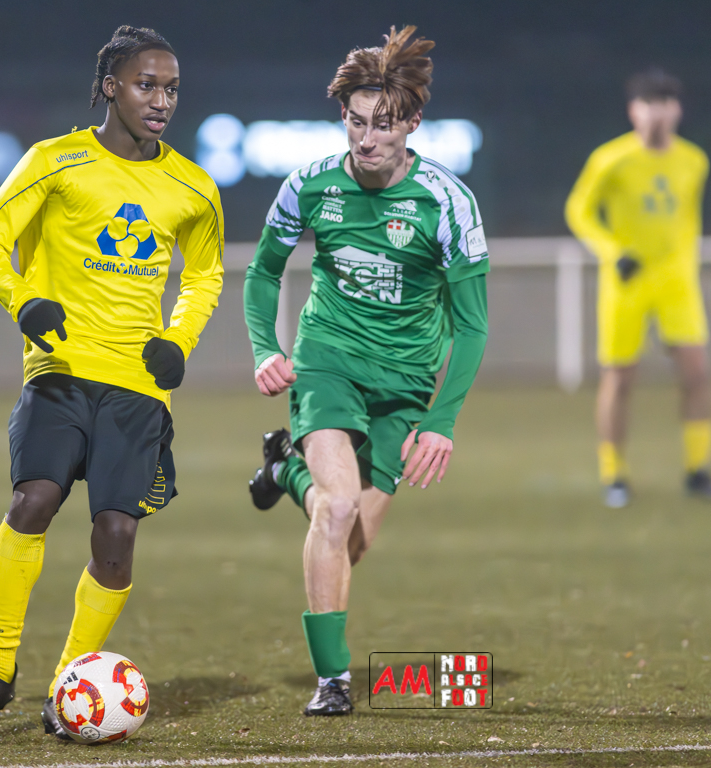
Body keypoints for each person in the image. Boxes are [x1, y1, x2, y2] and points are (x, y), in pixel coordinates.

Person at [0, 25, 224, 739]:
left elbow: (206, 274)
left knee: (116, 534)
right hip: (59, 372)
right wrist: (25, 302)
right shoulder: (53, 162)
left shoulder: (193, 186)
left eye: (171, 88)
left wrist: (178, 340)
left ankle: (68, 685)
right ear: (111, 87)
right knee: (34, 499)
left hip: (136, 386)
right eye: (147, 85)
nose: (161, 100)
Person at [244, 26, 488, 716]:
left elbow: (472, 326)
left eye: (383, 125)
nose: (367, 139)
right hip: (328, 362)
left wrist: (440, 422)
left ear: (413, 123)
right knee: (339, 507)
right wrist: (265, 347)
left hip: (406, 384)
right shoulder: (309, 185)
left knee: (350, 541)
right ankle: (333, 682)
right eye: (356, 122)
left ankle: (285, 471)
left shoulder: (448, 202)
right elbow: (263, 272)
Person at [565, 68, 711, 509]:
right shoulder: (610, 159)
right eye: (649, 103)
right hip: (626, 282)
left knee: (696, 374)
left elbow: (686, 219)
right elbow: (579, 210)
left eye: (665, 103)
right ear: (633, 111)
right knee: (619, 379)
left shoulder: (694, 160)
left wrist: (686, 263)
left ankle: (698, 470)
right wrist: (612, 251)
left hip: (676, 282)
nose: (657, 113)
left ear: (678, 110)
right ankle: (614, 474)